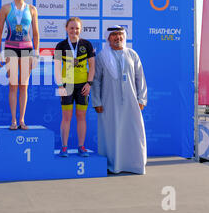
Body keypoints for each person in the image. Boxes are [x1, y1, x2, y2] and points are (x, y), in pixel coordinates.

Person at [91, 25, 147, 174]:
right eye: (114, 35)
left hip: (131, 102)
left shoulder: (132, 54)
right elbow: (96, 81)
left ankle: (135, 165)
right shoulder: (102, 56)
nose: (118, 38)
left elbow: (140, 78)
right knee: (112, 134)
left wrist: (142, 99)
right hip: (109, 103)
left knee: (134, 133)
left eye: (120, 34)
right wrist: (97, 101)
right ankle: (113, 165)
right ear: (108, 38)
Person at [0, 0, 39, 130]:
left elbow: (36, 34)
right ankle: (13, 120)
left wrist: (36, 54)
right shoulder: (6, 8)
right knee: (13, 86)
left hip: (27, 50)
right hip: (10, 49)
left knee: (24, 86)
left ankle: (22, 120)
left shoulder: (32, 9)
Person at [54, 17, 95, 157]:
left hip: (83, 86)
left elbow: (93, 66)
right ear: (66, 29)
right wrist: (60, 85)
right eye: (71, 28)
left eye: (77, 28)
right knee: (66, 117)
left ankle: (81, 146)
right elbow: (57, 68)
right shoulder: (60, 46)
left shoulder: (87, 45)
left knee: (81, 117)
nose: (74, 30)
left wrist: (89, 84)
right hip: (67, 86)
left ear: (81, 29)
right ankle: (64, 147)